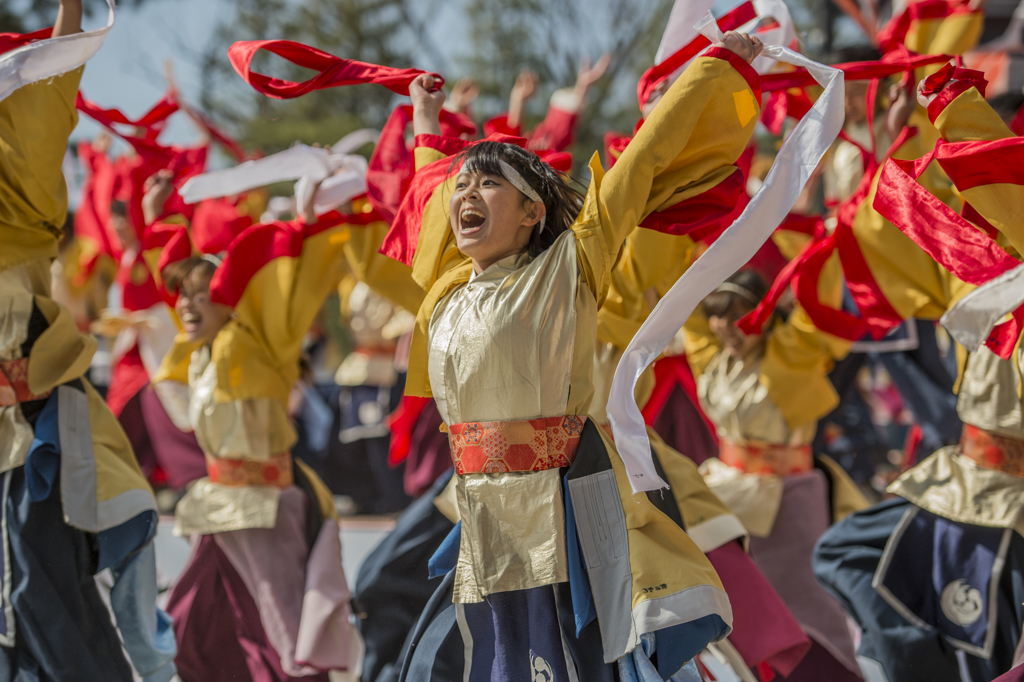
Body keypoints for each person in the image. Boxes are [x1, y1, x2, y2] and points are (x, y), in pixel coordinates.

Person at [394, 30, 767, 681]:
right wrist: (427, 124)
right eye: (462, 185)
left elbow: (641, 163)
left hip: (557, 515)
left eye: (489, 184)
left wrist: (719, 65)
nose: (466, 196)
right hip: (482, 517)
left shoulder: (567, 265)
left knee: (565, 666)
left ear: (533, 212)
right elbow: (429, 208)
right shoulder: (448, 291)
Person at [813, 68, 1024, 682]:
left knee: (986, 653)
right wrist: (897, 138)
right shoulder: (978, 260)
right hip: (955, 478)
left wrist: (954, 105)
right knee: (841, 552)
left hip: (1007, 503)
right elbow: (896, 228)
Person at [0, 1, 176, 679]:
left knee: (40, 597)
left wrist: (69, 16)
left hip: (28, 444)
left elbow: (42, 114)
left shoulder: (20, 221)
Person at [154, 205, 358, 680]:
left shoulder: (260, 347)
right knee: (189, 624)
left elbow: (285, 293)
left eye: (202, 295)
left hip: (267, 509)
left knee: (283, 636)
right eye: (183, 296)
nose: (187, 305)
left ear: (230, 299)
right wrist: (162, 214)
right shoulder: (197, 356)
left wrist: (302, 220)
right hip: (219, 507)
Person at [685, 267, 869, 681]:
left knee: (808, 606)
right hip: (724, 493)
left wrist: (822, 248)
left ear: (763, 315)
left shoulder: (790, 357)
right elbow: (673, 285)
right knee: (740, 610)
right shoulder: (713, 358)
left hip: (788, 502)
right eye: (717, 315)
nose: (725, 327)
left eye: (737, 316)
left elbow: (813, 313)